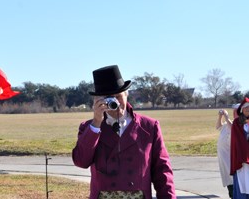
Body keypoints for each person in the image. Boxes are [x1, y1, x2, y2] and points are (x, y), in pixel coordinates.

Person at [72, 65, 176, 199]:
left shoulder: (149, 127)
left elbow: (162, 171)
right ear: (98, 101)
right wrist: (96, 124)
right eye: (108, 99)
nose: (115, 102)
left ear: (126, 93)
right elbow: (81, 161)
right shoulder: (89, 128)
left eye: (118, 96)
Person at [216, 104, 239, 198]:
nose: (234, 113)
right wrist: (220, 116)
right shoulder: (229, 122)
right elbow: (218, 127)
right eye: (233, 111)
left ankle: (234, 195)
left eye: (236, 111)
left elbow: (233, 128)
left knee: (232, 179)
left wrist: (226, 116)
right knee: (227, 177)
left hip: (231, 158)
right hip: (223, 157)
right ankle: (232, 194)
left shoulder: (238, 124)